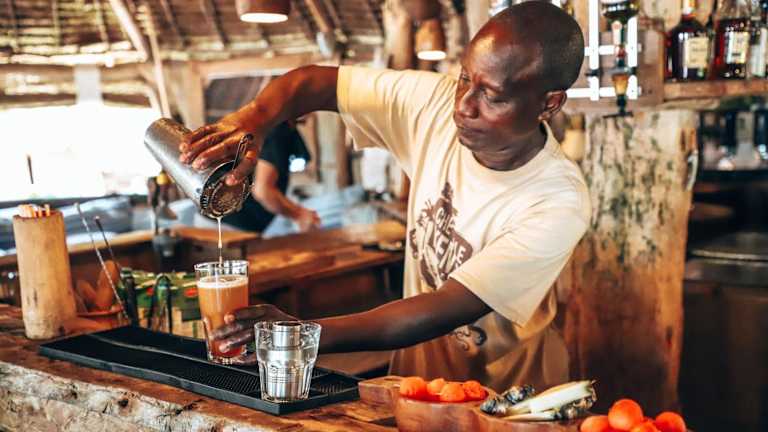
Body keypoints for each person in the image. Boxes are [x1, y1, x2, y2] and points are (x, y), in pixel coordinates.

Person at [179, 2, 589, 392]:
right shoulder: (433, 103)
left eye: (493, 96)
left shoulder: (556, 199)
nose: (464, 106)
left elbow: (445, 308)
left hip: (507, 399)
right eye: (465, 77)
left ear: (549, 103)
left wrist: (300, 335)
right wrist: (253, 121)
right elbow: (317, 83)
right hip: (416, 386)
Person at [222, 121, 320, 233]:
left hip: (229, 218)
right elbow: (263, 191)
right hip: (235, 224)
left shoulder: (268, 126)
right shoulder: (278, 128)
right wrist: (299, 215)